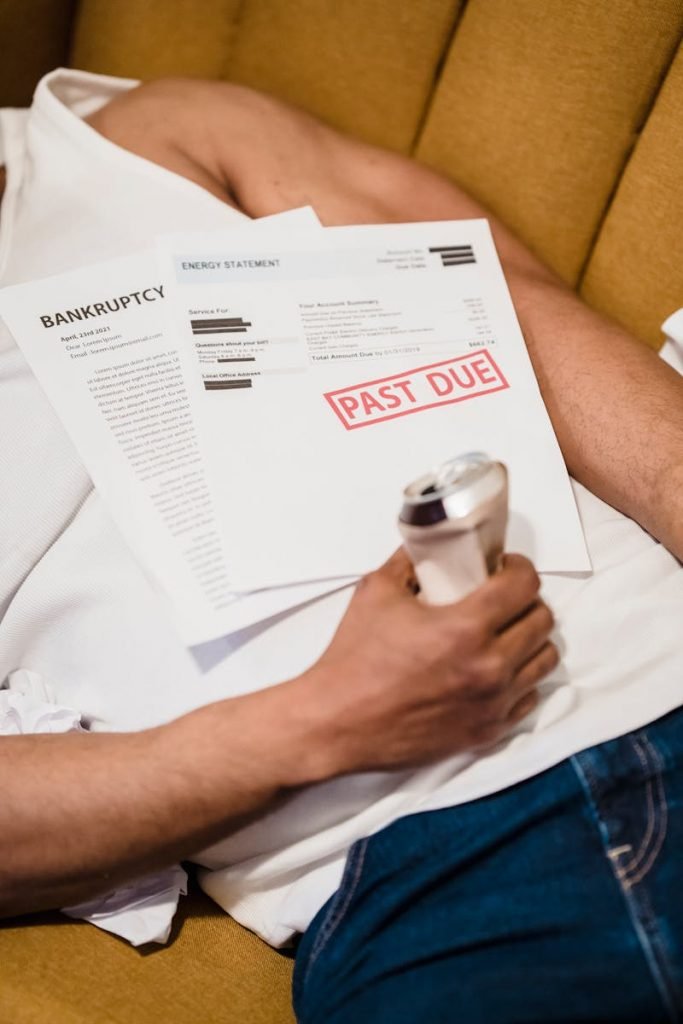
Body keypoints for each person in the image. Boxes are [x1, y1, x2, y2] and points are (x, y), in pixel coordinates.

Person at [0, 69, 682, 1021]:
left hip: (655, 655)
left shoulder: (142, 137)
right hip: (427, 871)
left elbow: (511, 306)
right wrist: (324, 721)